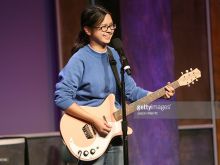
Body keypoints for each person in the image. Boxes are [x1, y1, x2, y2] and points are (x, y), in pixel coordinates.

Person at [54, 5, 175, 165]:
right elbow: (61, 98)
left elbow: (131, 92)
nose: (109, 30)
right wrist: (94, 120)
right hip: (89, 135)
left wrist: (160, 94)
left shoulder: (115, 55)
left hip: (115, 135)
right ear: (88, 30)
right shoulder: (80, 59)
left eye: (111, 26)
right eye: (103, 26)